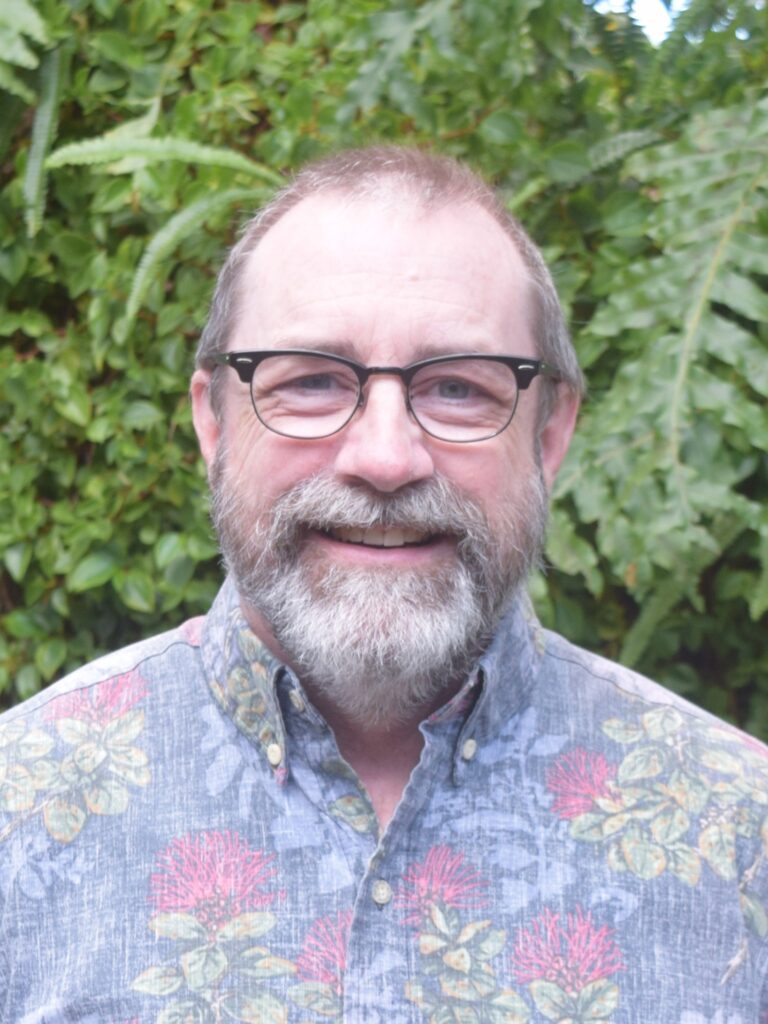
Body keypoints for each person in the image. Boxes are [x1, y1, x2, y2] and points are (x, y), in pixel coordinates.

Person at [1, 146, 766, 1022]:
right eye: (313, 381)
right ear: (213, 421)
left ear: (549, 435)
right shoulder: (17, 810)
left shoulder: (741, 836)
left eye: (459, 391)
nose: (386, 457)